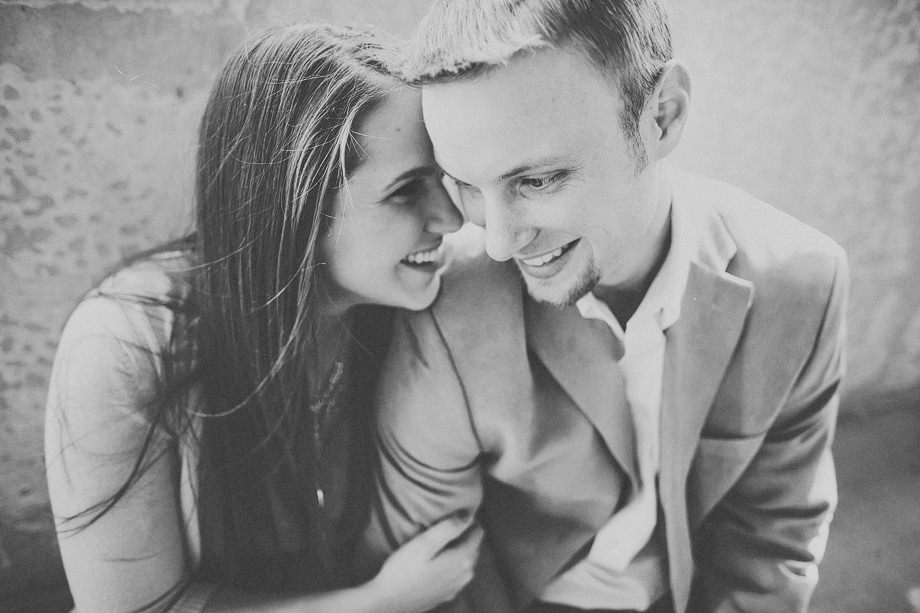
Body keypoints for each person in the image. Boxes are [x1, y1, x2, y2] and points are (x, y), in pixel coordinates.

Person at [362, 1, 848, 612]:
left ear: (663, 116)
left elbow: (774, 541)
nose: (500, 241)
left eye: (536, 180)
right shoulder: (447, 312)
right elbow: (428, 585)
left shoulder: (802, 282)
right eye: (465, 184)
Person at [44, 23, 482, 613]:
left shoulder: (402, 305)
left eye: (445, 179)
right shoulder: (124, 344)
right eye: (406, 191)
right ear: (295, 204)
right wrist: (380, 602)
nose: (452, 218)